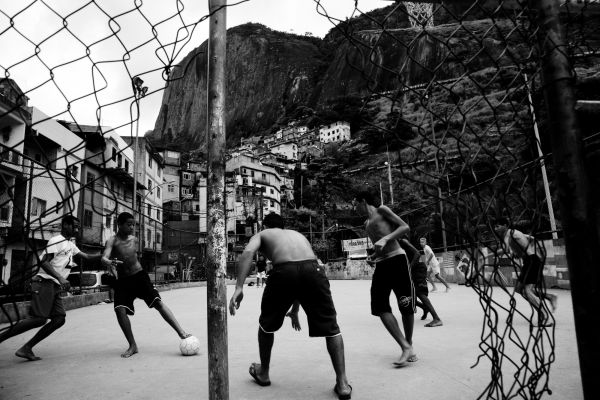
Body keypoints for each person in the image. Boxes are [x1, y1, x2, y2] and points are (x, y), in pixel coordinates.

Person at [229, 212, 352, 400]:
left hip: (284, 271)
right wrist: (295, 309)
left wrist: (239, 287)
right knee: (332, 328)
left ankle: (264, 372)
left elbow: (248, 253)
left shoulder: (263, 234)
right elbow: (301, 269)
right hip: (314, 269)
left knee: (266, 326)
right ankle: (343, 384)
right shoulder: (298, 236)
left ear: (265, 226)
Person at [0, 215, 102, 361]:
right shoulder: (56, 240)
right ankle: (1, 337)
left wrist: (105, 256)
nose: (77, 229)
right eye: (74, 226)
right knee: (39, 319)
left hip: (54, 286)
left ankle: (26, 348)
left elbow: (86, 256)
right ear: (65, 225)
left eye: (78, 227)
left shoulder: (70, 244)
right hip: (44, 282)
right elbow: (44, 262)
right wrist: (60, 278)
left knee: (59, 318)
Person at [102, 212, 191, 358]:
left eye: (133, 224)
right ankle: (132, 345)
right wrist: (109, 262)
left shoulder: (135, 240)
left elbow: (134, 257)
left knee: (158, 303)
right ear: (119, 224)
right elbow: (104, 257)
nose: (132, 227)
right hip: (123, 281)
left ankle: (182, 332)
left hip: (139, 277)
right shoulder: (112, 240)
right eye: (128, 224)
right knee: (119, 310)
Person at [354, 190, 416, 366]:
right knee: (379, 306)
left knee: (405, 303)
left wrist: (386, 239)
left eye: (354, 203)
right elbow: (380, 246)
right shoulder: (366, 224)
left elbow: (405, 227)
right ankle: (405, 346)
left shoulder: (382, 210)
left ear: (362, 200)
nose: (354, 208)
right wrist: (373, 255)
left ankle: (409, 344)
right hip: (381, 263)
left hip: (398, 259)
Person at [493, 217, 557, 326]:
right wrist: (519, 250)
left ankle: (545, 316)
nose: (495, 229)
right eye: (495, 226)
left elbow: (505, 249)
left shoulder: (508, 233)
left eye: (498, 226)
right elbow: (531, 238)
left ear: (505, 225)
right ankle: (549, 297)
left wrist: (493, 252)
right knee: (519, 288)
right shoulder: (514, 233)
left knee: (527, 291)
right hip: (530, 260)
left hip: (532, 260)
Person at [399, 239, 443, 327]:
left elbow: (417, 254)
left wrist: (410, 267)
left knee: (420, 293)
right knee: (410, 296)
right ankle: (424, 307)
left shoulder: (403, 241)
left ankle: (437, 319)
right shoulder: (391, 243)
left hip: (418, 269)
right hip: (412, 271)